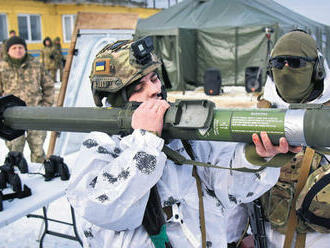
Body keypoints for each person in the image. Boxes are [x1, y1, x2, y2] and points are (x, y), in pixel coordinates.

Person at [66, 38, 299, 248]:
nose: (155, 89)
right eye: (139, 87)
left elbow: (229, 187)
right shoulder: (101, 147)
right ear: (117, 99)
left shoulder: (183, 136)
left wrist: (255, 156)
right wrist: (146, 144)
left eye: (155, 78)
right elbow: (107, 210)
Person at [256, 30, 330, 248]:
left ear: (316, 69)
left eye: (295, 62)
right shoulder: (261, 114)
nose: (286, 69)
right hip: (271, 239)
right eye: (279, 63)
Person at [0, 36, 55, 163]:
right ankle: (17, 175)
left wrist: (46, 105)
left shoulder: (35, 64)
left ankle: (39, 175)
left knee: (38, 150)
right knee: (14, 152)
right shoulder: (2, 67)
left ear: (25, 49)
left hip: (35, 113)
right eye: (14, 48)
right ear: (8, 51)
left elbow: (49, 85)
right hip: (11, 116)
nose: (18, 50)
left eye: (20, 47)